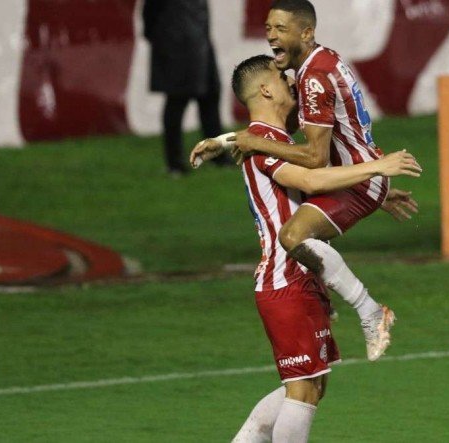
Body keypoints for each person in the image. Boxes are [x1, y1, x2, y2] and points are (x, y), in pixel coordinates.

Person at [201, 55, 421, 442]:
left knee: (311, 385)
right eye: (281, 79)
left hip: (302, 273)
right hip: (285, 278)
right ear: (266, 90)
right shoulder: (264, 142)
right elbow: (311, 180)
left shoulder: (274, 141)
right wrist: (376, 168)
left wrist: (374, 194)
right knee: (302, 389)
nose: (290, 81)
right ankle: (369, 309)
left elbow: (310, 185)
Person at [192, 0, 418, 360]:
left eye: (280, 29)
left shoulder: (312, 78)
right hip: (359, 177)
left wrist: (249, 141)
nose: (270, 35)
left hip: (356, 180)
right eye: (268, 28)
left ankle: (370, 311)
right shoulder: (321, 62)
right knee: (302, 243)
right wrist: (227, 141)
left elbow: (314, 158)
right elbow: (292, 125)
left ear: (306, 32)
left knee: (293, 236)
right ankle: (328, 305)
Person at [142, 0, 230, 176]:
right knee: (177, 99)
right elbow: (150, 11)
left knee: (210, 96)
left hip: (199, 40)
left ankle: (215, 155)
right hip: (178, 42)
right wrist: (164, 38)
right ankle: (174, 164)